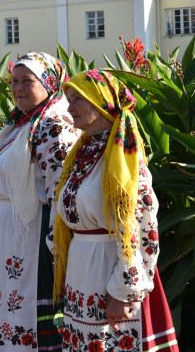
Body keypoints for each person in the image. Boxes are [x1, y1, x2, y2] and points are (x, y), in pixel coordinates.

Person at [52, 70, 178, 352]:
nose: (69, 108)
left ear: (103, 102)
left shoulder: (125, 159)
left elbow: (141, 228)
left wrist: (123, 292)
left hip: (111, 268)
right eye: (68, 100)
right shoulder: (81, 154)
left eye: (77, 99)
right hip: (81, 270)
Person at [0, 53, 79, 351]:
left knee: (29, 321)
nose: (18, 88)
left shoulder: (54, 125)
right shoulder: (19, 126)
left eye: (27, 81)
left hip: (31, 241)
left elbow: (60, 192)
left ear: (49, 82)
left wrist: (55, 250)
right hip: (2, 240)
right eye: (14, 81)